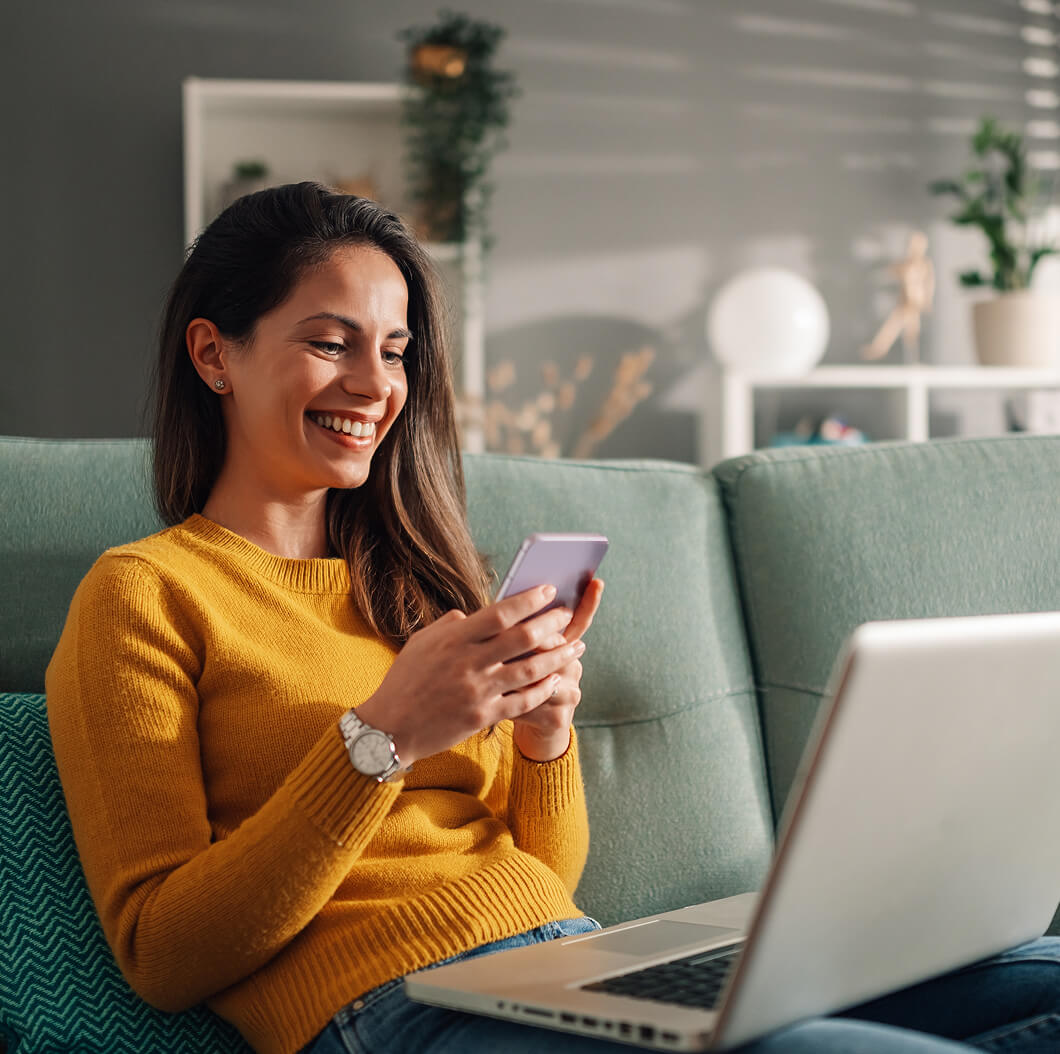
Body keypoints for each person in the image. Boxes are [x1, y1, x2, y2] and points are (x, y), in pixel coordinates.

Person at [46, 183, 1060, 1054]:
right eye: (329, 342)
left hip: (560, 961)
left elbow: (543, 877)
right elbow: (164, 954)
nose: (373, 384)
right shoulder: (146, 594)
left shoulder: (420, 586)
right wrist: (380, 737)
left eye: (395, 352)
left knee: (1036, 972)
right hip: (393, 1009)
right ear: (214, 354)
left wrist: (543, 739)